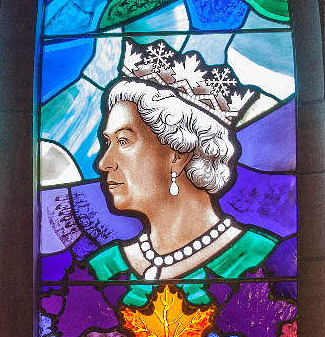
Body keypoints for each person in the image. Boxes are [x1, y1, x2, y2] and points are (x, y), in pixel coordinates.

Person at [88, 38, 276, 290]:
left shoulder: (260, 261)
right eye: (107, 142)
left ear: (178, 153)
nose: (104, 163)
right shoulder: (105, 271)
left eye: (123, 141)